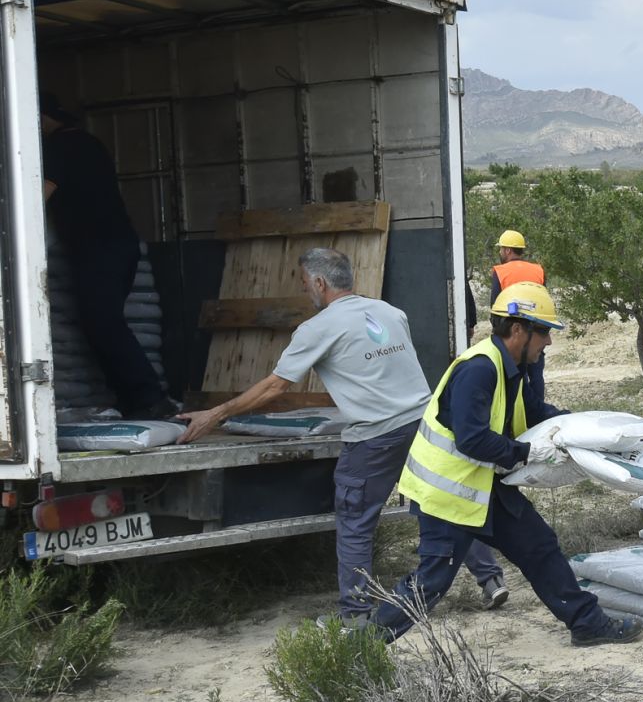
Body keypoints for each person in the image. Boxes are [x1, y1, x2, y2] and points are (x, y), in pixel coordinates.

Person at [178, 249, 511, 618]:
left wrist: (217, 413)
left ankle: (355, 613)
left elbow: (275, 387)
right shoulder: (390, 313)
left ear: (320, 283)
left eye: (305, 284)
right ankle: (491, 579)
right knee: (440, 503)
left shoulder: (317, 328)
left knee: (355, 521)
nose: (306, 291)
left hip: (375, 437)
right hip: (423, 424)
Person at [372, 282, 641, 646]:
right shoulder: (480, 369)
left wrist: (584, 430)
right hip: (447, 496)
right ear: (519, 330)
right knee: (431, 581)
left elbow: (533, 412)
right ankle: (362, 645)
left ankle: (588, 624)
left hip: (484, 487)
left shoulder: (511, 367)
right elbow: (472, 439)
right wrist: (526, 454)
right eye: (543, 332)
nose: (548, 342)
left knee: (539, 546)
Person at [39, 94, 176, 419]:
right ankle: (135, 400)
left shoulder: (61, 148)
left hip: (100, 247)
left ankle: (151, 399)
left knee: (104, 323)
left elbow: (38, 195)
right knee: (100, 323)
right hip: (112, 246)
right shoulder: (86, 143)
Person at [489, 230, 544, 301]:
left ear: (508, 250)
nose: (500, 252)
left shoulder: (499, 272)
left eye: (501, 248)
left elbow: (495, 305)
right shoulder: (539, 270)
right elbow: (544, 300)